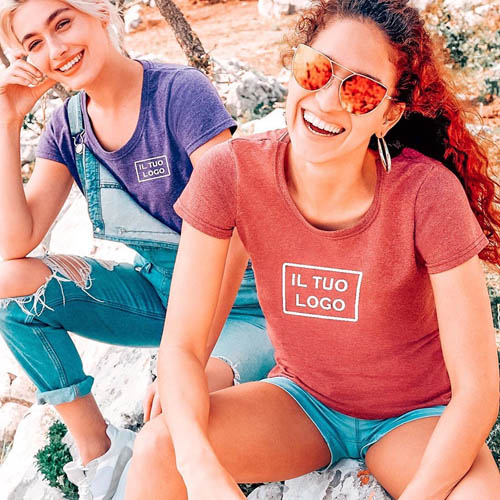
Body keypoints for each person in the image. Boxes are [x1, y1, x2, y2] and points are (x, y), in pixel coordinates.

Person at [123, 0, 500, 498]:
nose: (325, 101)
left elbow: (478, 391)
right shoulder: (231, 173)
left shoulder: (426, 194)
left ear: (388, 115)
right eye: (316, 69)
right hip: (302, 406)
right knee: (158, 447)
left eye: (361, 90)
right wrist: (200, 470)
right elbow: (183, 348)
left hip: (414, 417)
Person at [0, 0, 275, 498]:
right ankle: (101, 453)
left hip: (251, 305)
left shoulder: (179, 93)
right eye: (35, 43)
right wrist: (6, 120)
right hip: (162, 297)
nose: (56, 49)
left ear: (101, 14)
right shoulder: (67, 128)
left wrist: (184, 361)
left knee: (175, 413)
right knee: (9, 289)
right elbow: (15, 243)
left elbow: (236, 236)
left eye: (63, 23)